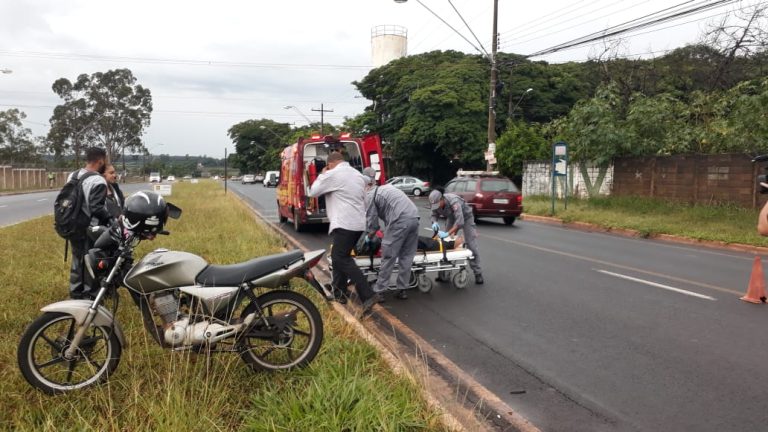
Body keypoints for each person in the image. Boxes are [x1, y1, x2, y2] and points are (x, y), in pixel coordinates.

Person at [308, 152, 380, 314]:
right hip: (358, 224)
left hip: (344, 223)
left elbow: (313, 191)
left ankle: (368, 295)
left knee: (341, 257)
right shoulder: (356, 173)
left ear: (330, 163)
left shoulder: (333, 174)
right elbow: (368, 182)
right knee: (338, 256)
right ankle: (339, 292)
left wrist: (322, 174)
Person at [362, 167, 419, 300]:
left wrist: (369, 236)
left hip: (399, 221)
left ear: (365, 183)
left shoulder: (370, 195)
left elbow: (373, 225)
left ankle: (379, 291)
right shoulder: (388, 188)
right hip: (414, 218)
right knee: (406, 256)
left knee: (388, 256)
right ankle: (402, 289)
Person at [67, 147, 112, 300]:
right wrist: (111, 219)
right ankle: (90, 296)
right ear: (100, 160)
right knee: (91, 262)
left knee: (77, 260)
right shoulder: (98, 180)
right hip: (90, 229)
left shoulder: (72, 175)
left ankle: (75, 294)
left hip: (72, 227)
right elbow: (96, 207)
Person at [428, 188, 484, 284]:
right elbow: (433, 215)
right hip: (451, 218)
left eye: (437, 204)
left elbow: (460, 221)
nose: (436, 207)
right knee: (445, 244)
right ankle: (444, 274)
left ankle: (478, 273)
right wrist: (434, 223)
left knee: (471, 244)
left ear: (442, 199)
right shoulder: (435, 204)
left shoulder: (454, 201)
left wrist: (448, 233)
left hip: (466, 218)